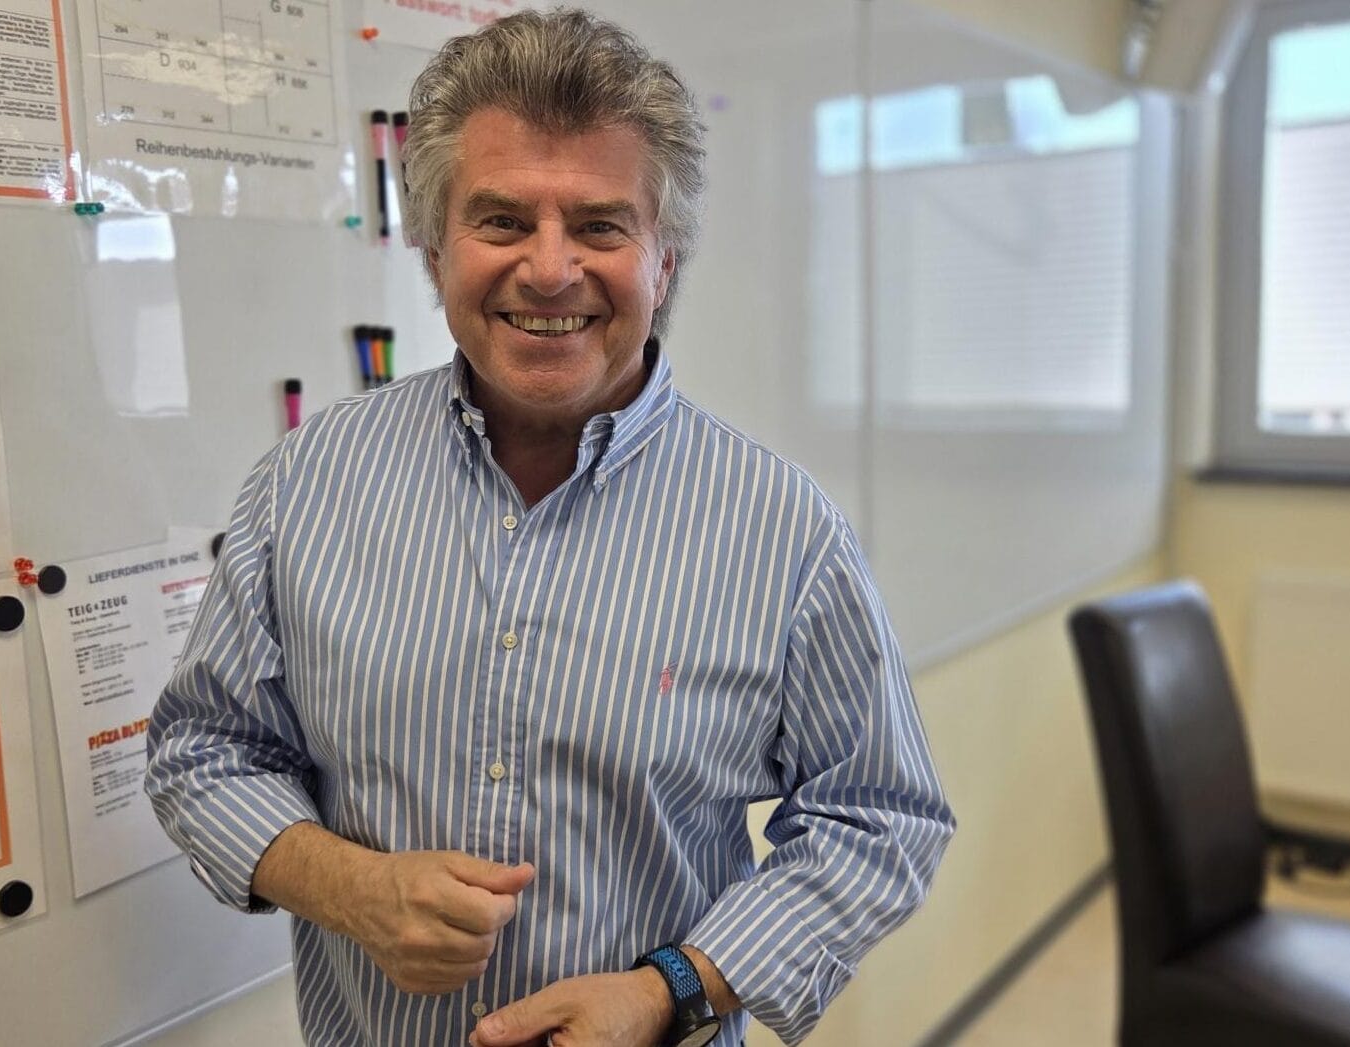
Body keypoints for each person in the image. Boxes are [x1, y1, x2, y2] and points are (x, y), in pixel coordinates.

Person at [145, 9, 954, 1046]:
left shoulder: (783, 532)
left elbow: (878, 817)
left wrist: (672, 988)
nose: (548, 269)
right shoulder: (307, 482)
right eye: (500, 221)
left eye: (600, 227)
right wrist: (349, 887)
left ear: (664, 261)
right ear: (434, 253)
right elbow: (204, 749)